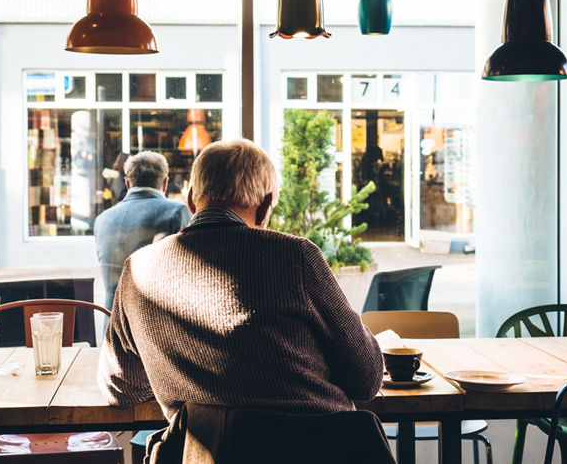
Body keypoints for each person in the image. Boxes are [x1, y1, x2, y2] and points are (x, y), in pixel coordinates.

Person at [97, 138, 384, 420]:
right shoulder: (296, 256)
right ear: (265, 206)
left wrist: (178, 371)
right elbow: (366, 379)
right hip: (319, 449)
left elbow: (120, 389)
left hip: (205, 453)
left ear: (191, 200)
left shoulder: (138, 269)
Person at [93, 150, 192, 312]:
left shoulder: (102, 219)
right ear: (165, 183)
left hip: (112, 327)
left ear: (127, 184)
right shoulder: (177, 212)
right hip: (156, 327)